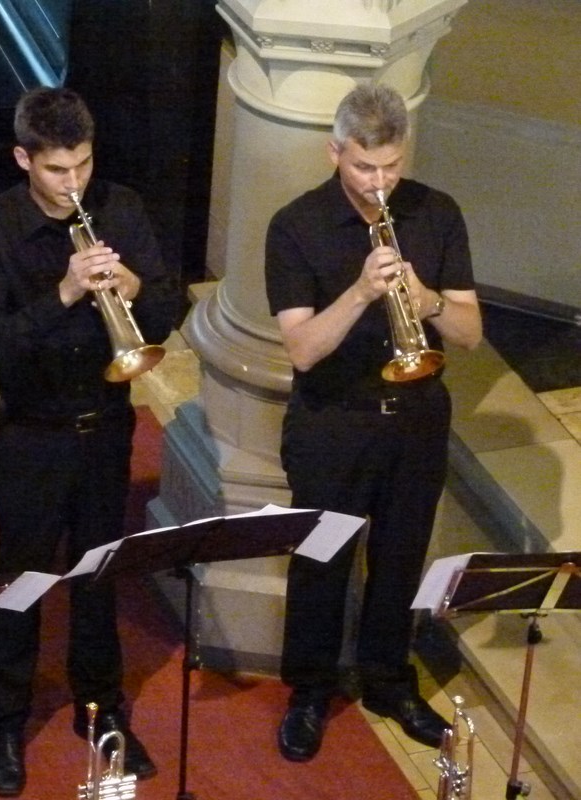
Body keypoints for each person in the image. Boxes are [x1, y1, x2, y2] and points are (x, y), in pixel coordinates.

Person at [0, 86, 178, 797]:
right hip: (32, 433)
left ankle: (102, 710)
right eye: (57, 170)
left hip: (105, 427)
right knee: (21, 580)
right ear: (24, 158)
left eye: (81, 164)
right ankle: (4, 721)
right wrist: (62, 292)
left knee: (97, 576)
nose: (73, 182)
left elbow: (168, 308)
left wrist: (131, 281)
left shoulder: (121, 207)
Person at [264, 83, 483, 763]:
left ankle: (389, 679)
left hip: (415, 419)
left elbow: (470, 333)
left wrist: (424, 302)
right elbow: (301, 349)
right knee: (321, 561)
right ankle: (308, 690)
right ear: (335, 153)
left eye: (391, 165)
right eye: (365, 166)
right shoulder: (294, 226)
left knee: (398, 561)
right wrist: (361, 290)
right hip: (334, 421)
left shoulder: (436, 213)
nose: (380, 182)